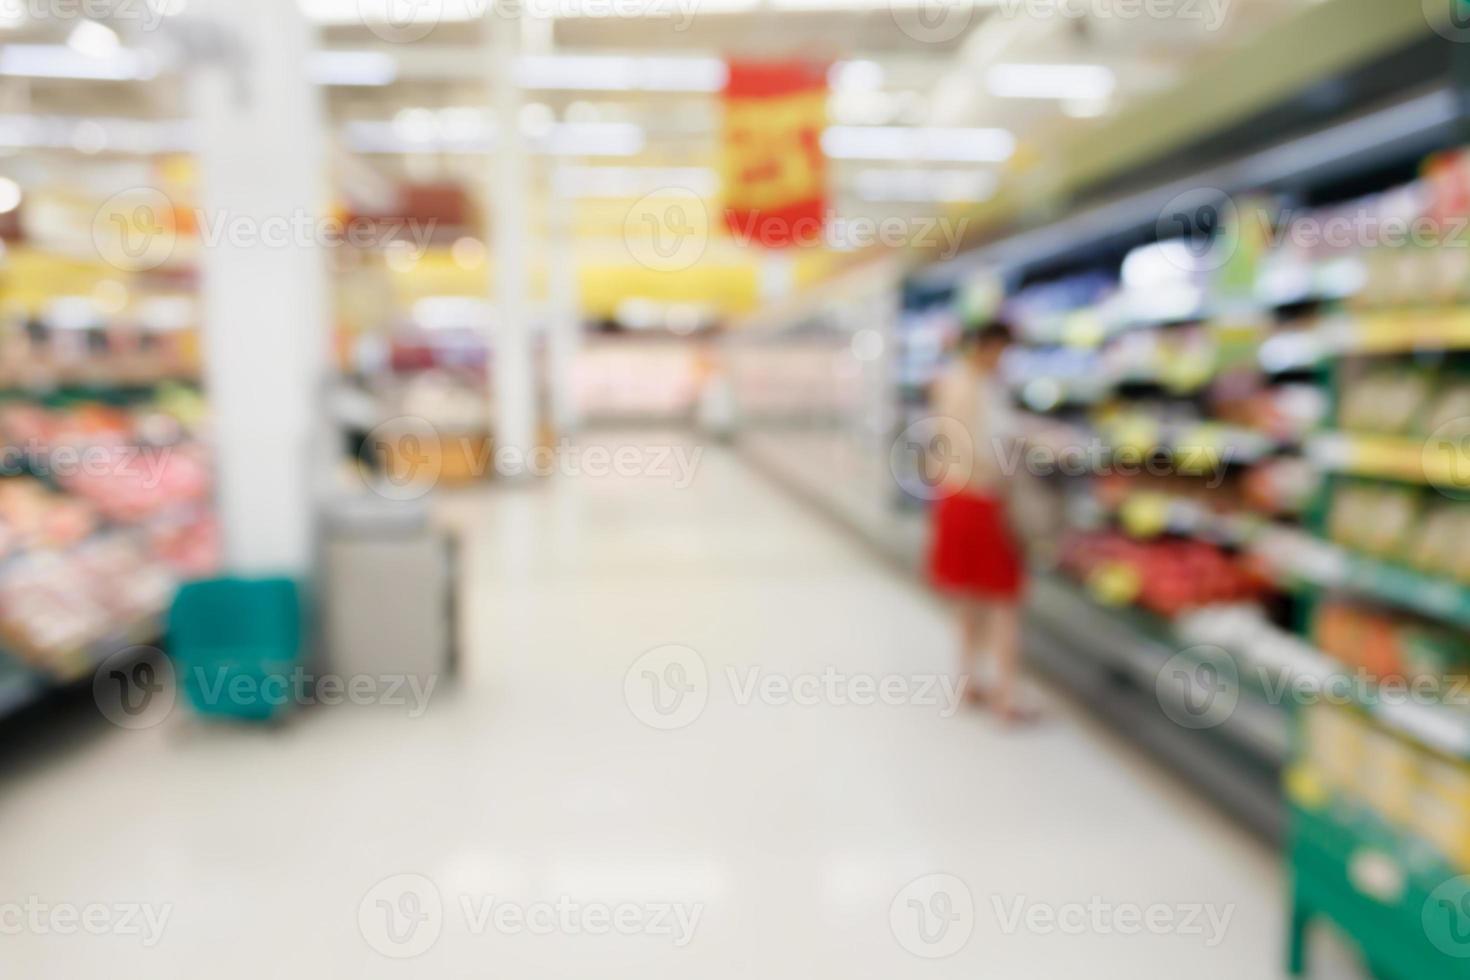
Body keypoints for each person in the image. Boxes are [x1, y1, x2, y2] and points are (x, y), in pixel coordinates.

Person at [926, 320, 1036, 724]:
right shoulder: (973, 387)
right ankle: (1007, 695)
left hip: (957, 496)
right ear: (989, 348)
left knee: (970, 597)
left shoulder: (957, 382)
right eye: (1002, 350)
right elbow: (974, 447)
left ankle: (969, 681)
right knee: (1004, 598)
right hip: (981, 500)